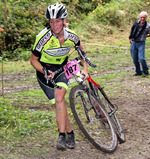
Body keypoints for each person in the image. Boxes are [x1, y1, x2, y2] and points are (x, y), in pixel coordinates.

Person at [30, 3, 89, 150]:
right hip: (44, 72)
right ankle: (71, 133)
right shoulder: (43, 38)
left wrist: (85, 70)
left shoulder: (72, 36)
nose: (54, 25)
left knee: (59, 97)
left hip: (61, 69)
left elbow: (82, 52)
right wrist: (44, 71)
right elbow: (33, 60)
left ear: (64, 20)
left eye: (57, 20)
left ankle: (61, 136)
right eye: (51, 21)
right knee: (59, 104)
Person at [129, 11, 150, 76]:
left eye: (144, 17)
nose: (142, 19)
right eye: (141, 17)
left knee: (141, 58)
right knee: (134, 58)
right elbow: (132, 30)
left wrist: (147, 35)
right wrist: (130, 38)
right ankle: (138, 71)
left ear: (146, 18)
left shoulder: (148, 26)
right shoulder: (136, 23)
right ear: (139, 17)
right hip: (134, 42)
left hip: (141, 43)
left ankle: (146, 71)